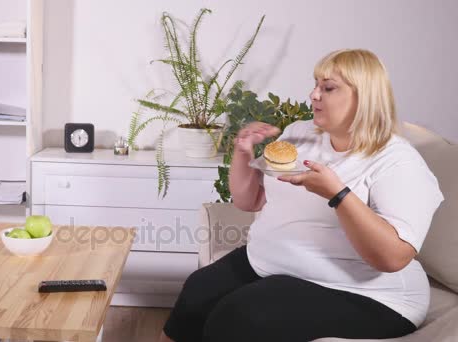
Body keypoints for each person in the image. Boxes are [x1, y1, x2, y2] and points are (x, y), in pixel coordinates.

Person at [159, 49, 444, 342]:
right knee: (197, 292)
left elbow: (393, 258)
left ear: (365, 97)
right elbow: (250, 201)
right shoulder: (300, 133)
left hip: (366, 293)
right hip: (271, 262)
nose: (314, 94)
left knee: (238, 317)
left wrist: (338, 195)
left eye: (328, 87)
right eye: (316, 84)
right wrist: (243, 152)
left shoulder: (398, 161)